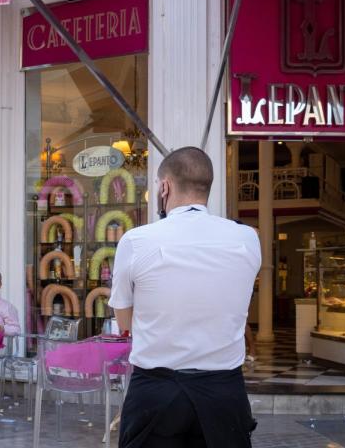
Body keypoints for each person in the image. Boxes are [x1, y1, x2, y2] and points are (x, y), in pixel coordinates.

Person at [110, 147, 259, 447]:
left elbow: (124, 321)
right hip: (223, 394)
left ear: (165, 186)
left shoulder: (136, 241)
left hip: (156, 392)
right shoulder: (247, 238)